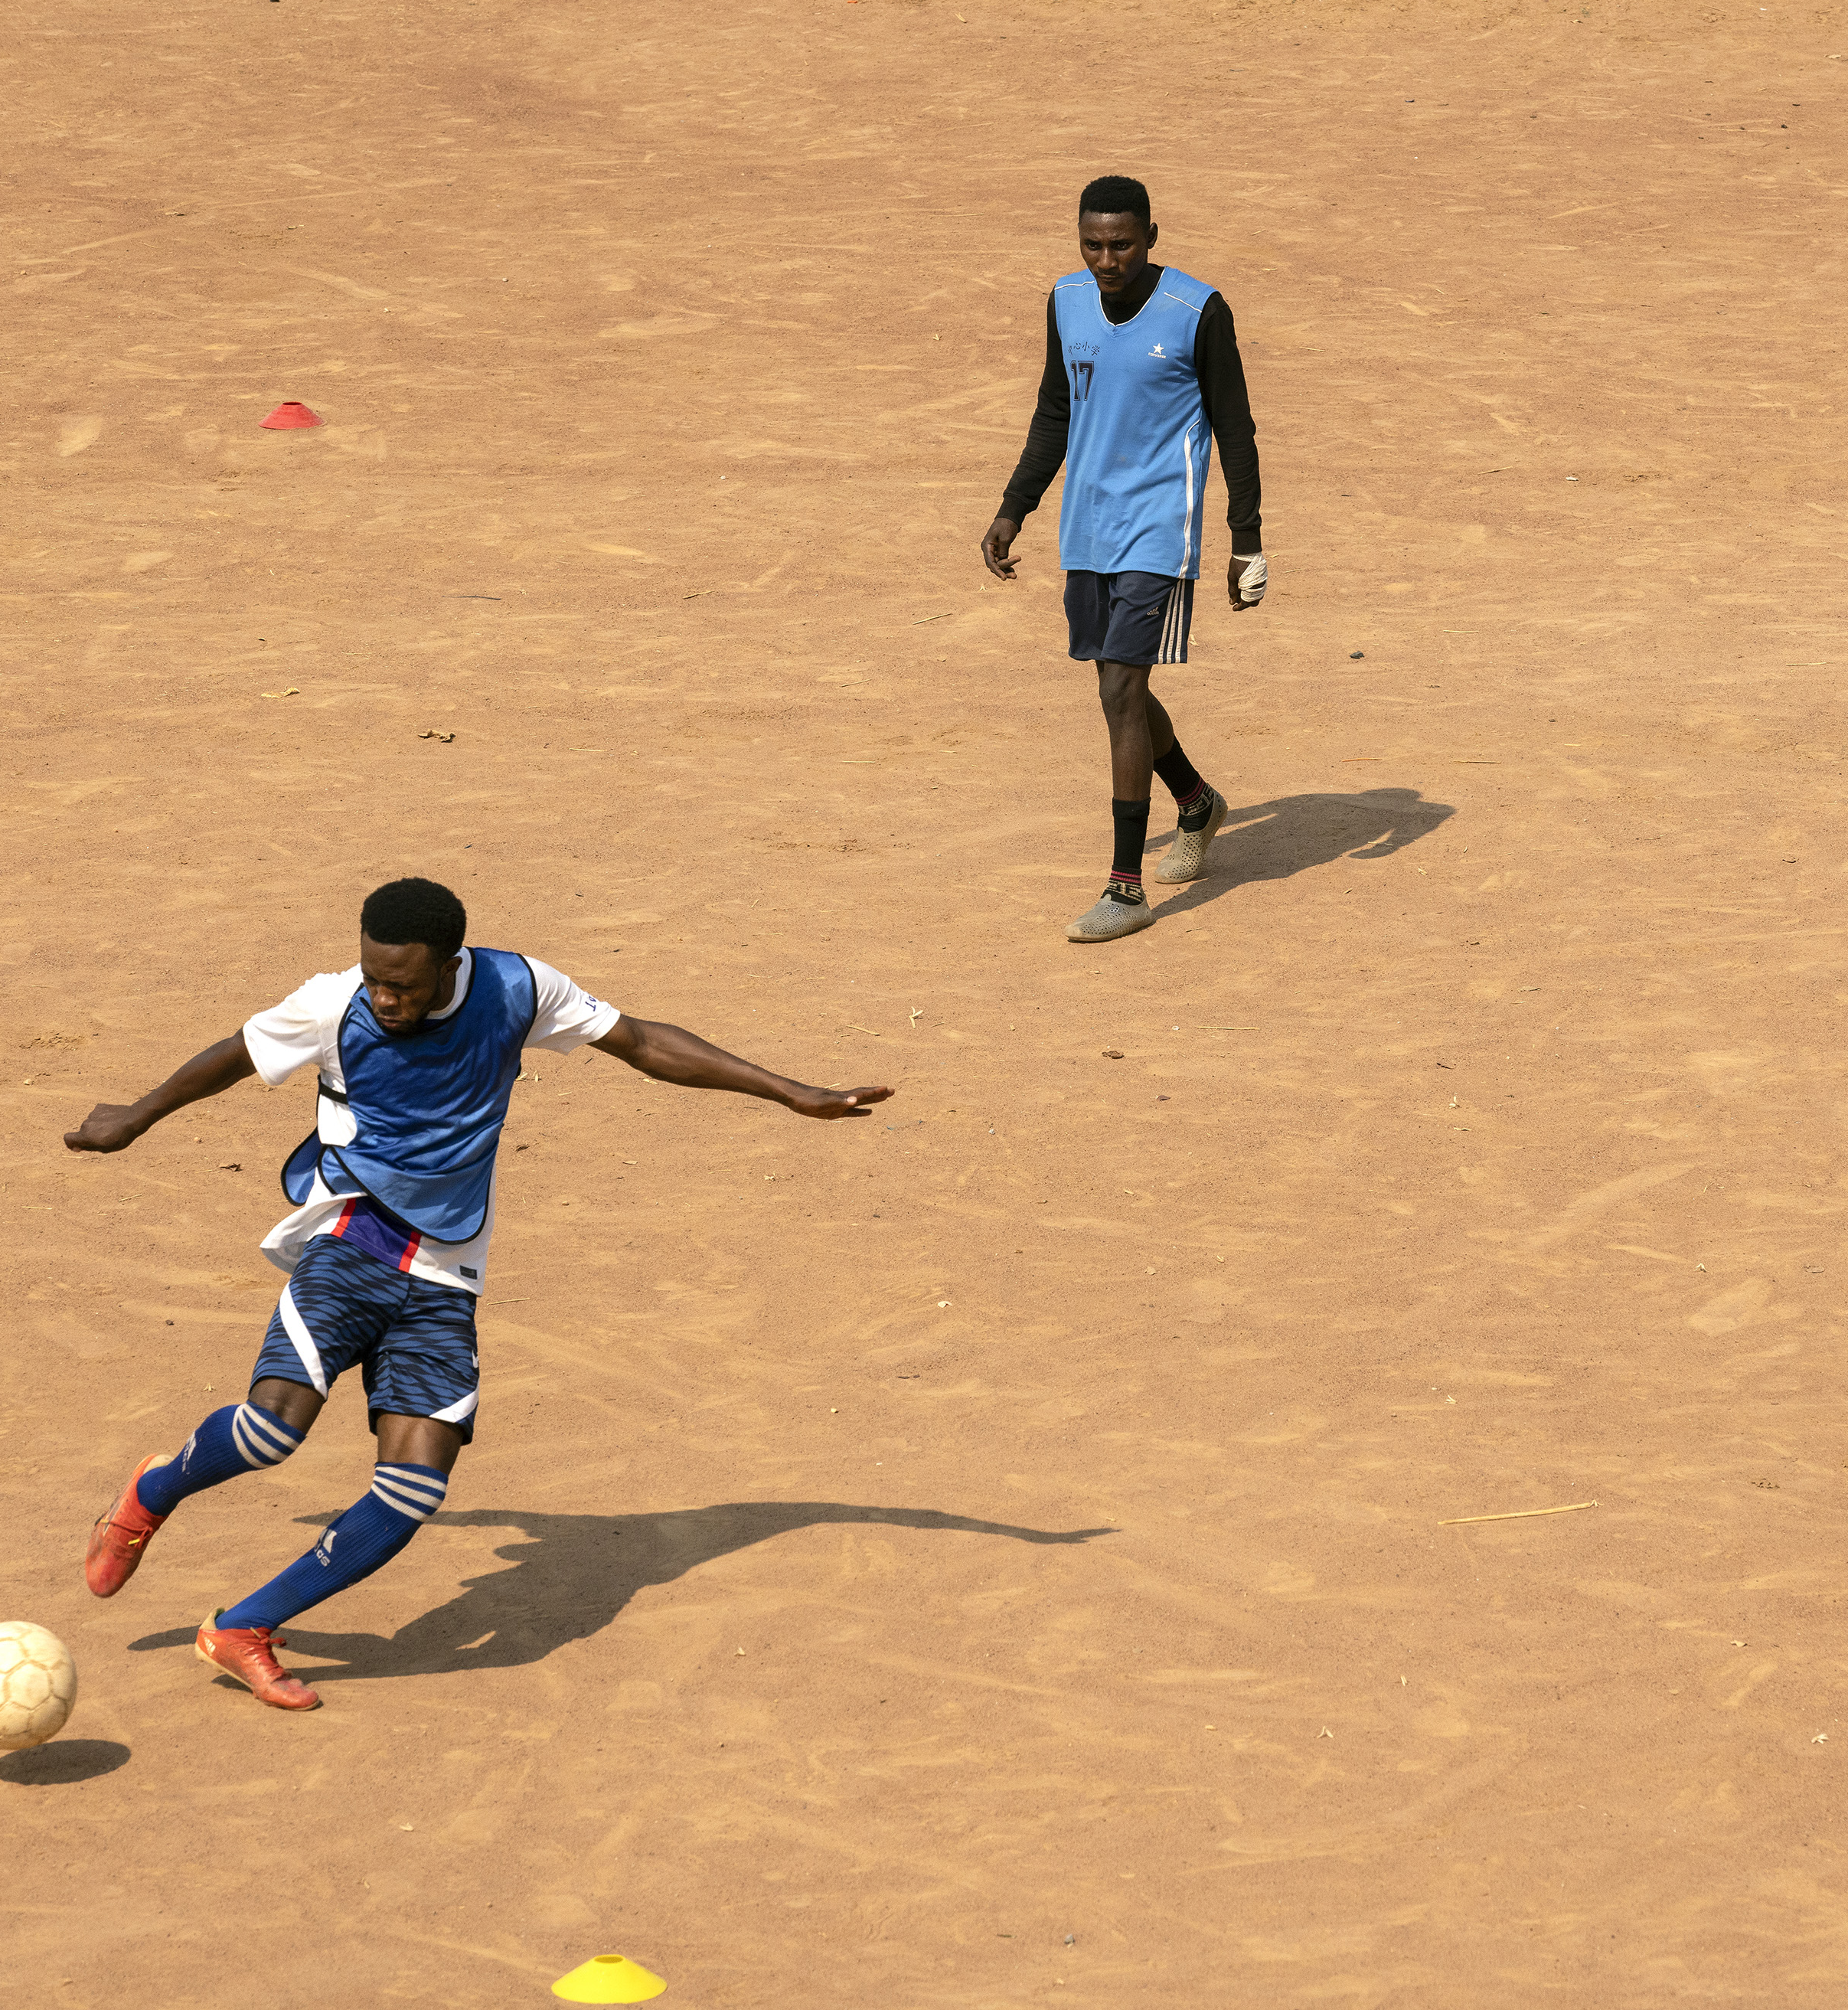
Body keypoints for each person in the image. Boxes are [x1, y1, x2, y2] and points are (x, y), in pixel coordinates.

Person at [67, 878, 890, 1711]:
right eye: (375, 978)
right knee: (273, 1429)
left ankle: (243, 1627)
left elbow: (640, 1041)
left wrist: (789, 1090)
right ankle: (148, 1496)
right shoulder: (333, 1005)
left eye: (406, 985)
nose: (386, 997)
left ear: (450, 963)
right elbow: (238, 1052)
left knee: (414, 1489)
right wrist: (135, 1116)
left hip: (446, 1274)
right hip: (353, 1235)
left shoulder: (518, 988)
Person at [978, 173, 1265, 944]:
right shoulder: (1066, 301)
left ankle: (1125, 886)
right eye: (1093, 244)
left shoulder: (1196, 311)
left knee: (1120, 687)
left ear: (1152, 238)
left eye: (1123, 244)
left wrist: (1247, 540)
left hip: (1158, 529)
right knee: (1116, 693)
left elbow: (1235, 428)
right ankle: (1196, 802)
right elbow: (1053, 409)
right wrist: (1015, 507)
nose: (1107, 260)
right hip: (1088, 528)